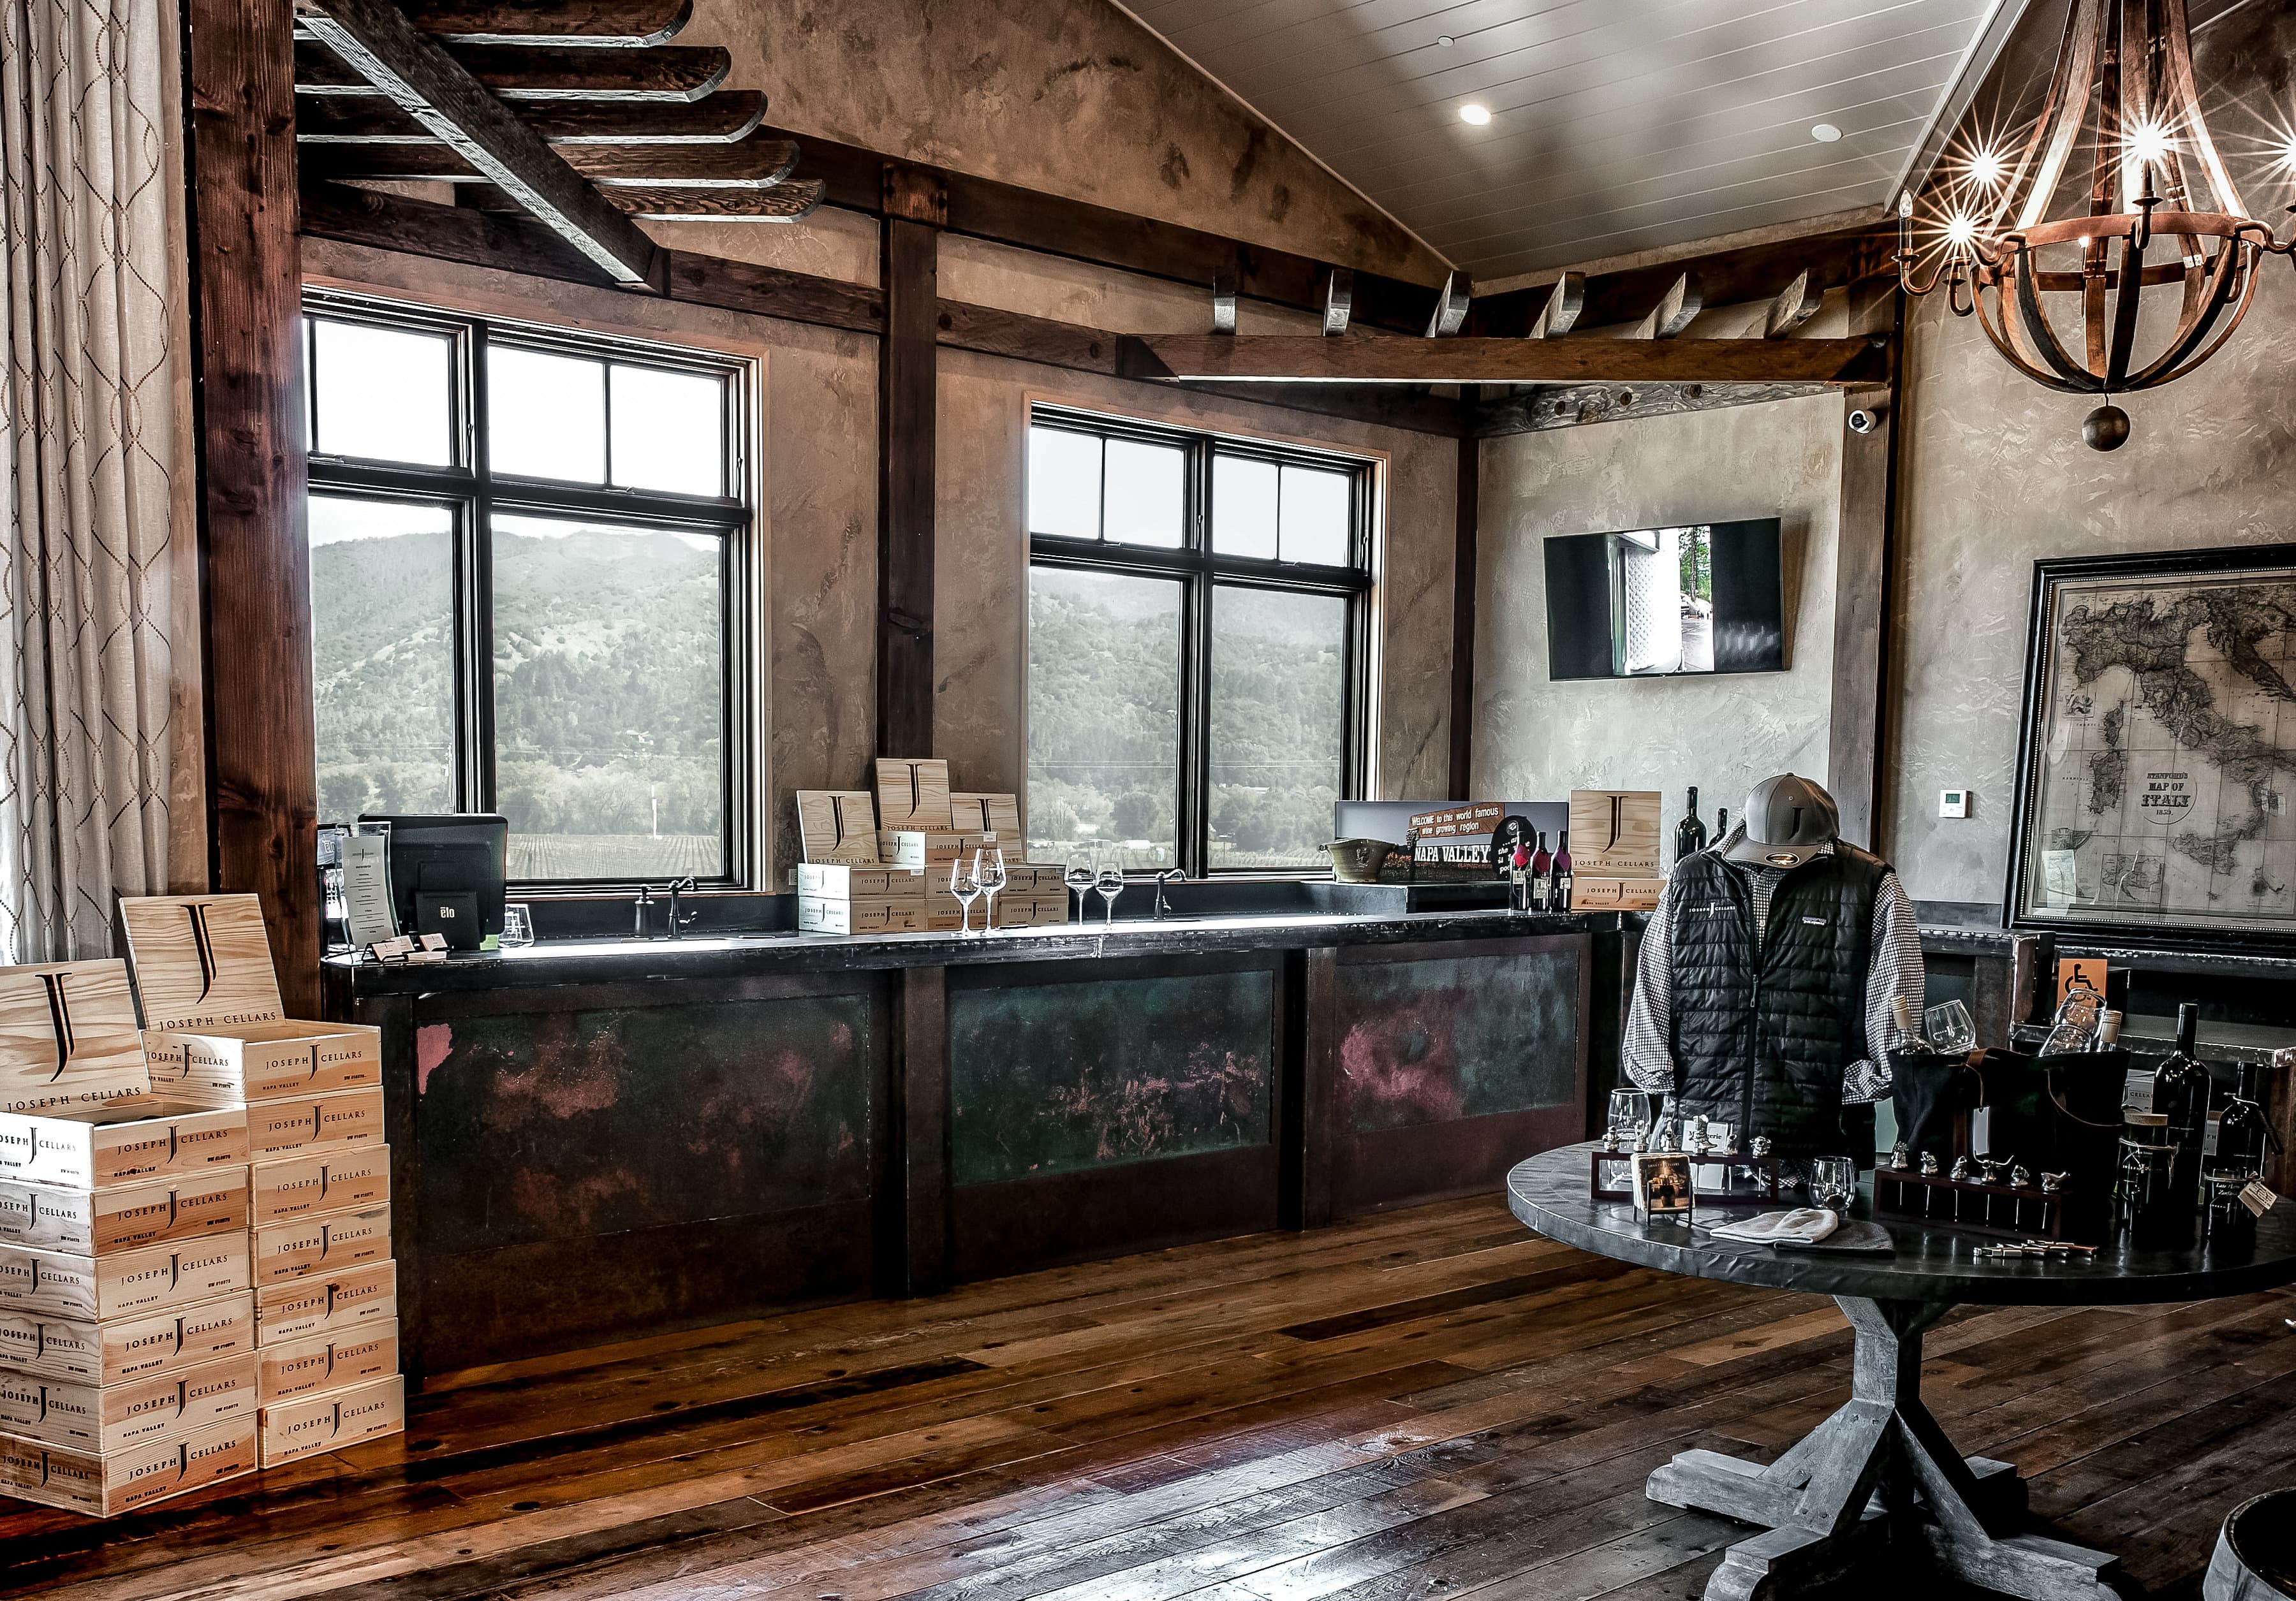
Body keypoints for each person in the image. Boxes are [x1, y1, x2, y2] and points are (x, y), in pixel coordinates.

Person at [1622, 773, 1923, 1159]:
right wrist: (1667, 1085)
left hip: (1826, 1136)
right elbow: (1653, 991)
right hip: (1701, 1128)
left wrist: (1845, 1087)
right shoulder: (1693, 878)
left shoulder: (1869, 883)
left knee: (1827, 1221)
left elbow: (1897, 997)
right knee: (1696, 1220)